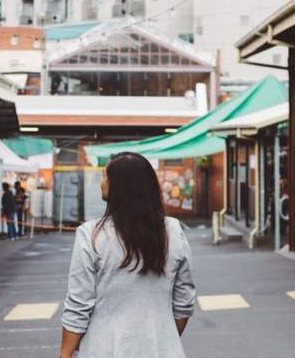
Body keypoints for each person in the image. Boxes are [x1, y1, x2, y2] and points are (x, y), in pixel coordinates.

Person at [60, 152, 196, 357]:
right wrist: (161, 337)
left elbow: (78, 304)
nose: (101, 183)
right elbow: (183, 301)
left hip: (104, 349)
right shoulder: (173, 231)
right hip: (162, 350)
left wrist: (65, 353)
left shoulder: (91, 235)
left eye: (105, 177)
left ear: (119, 186)